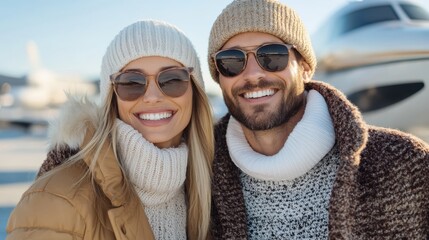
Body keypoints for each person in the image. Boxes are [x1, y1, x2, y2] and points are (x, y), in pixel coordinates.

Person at [207, 0, 429, 239]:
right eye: (231, 61)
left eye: (272, 55)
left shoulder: (406, 163)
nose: (252, 74)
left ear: (304, 67)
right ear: (219, 77)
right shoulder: (199, 181)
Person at [6, 20, 213, 240]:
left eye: (172, 79)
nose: (153, 96)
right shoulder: (56, 200)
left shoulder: (213, 191)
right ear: (111, 98)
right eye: (132, 83)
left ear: (195, 91)